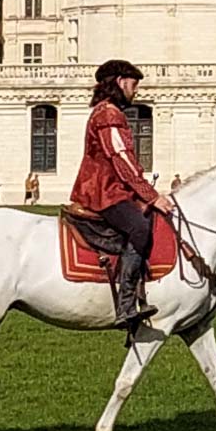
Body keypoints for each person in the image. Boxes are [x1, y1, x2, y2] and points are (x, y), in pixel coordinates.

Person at [69, 59, 172, 330]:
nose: (135, 91)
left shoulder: (108, 112)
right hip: (103, 192)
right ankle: (127, 304)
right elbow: (121, 159)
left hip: (112, 189)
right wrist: (151, 196)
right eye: (133, 84)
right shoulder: (109, 114)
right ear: (119, 82)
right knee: (138, 227)